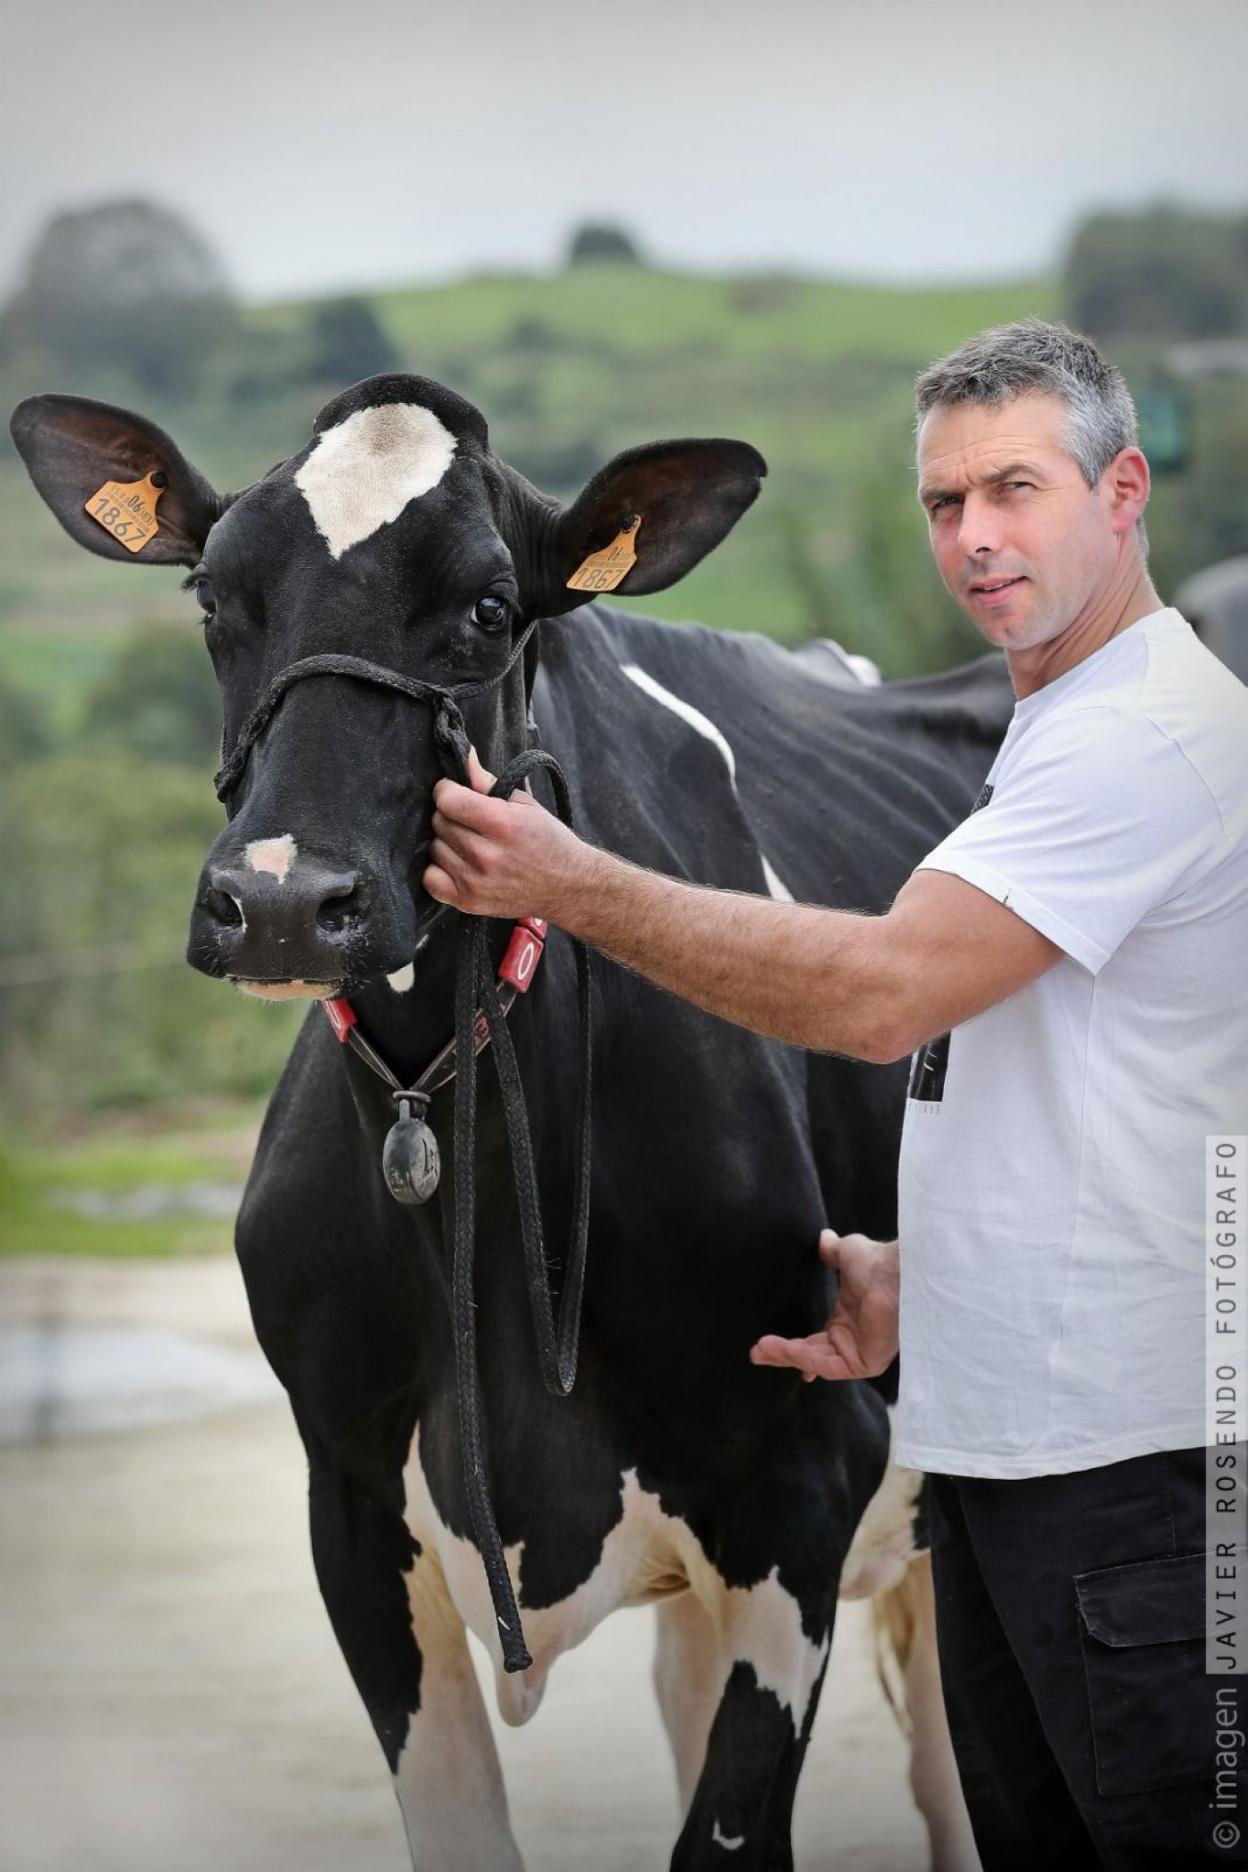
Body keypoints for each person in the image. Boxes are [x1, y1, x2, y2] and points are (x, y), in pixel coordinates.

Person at [424, 320, 1248, 1867]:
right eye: (946, 501)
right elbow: (1125, 1092)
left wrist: (570, 882)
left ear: (1125, 490)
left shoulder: (1141, 740)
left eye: (1017, 489)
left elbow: (882, 996)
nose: (976, 536)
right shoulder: (1063, 730)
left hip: (1133, 1477)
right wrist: (940, 1275)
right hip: (1026, 1457)